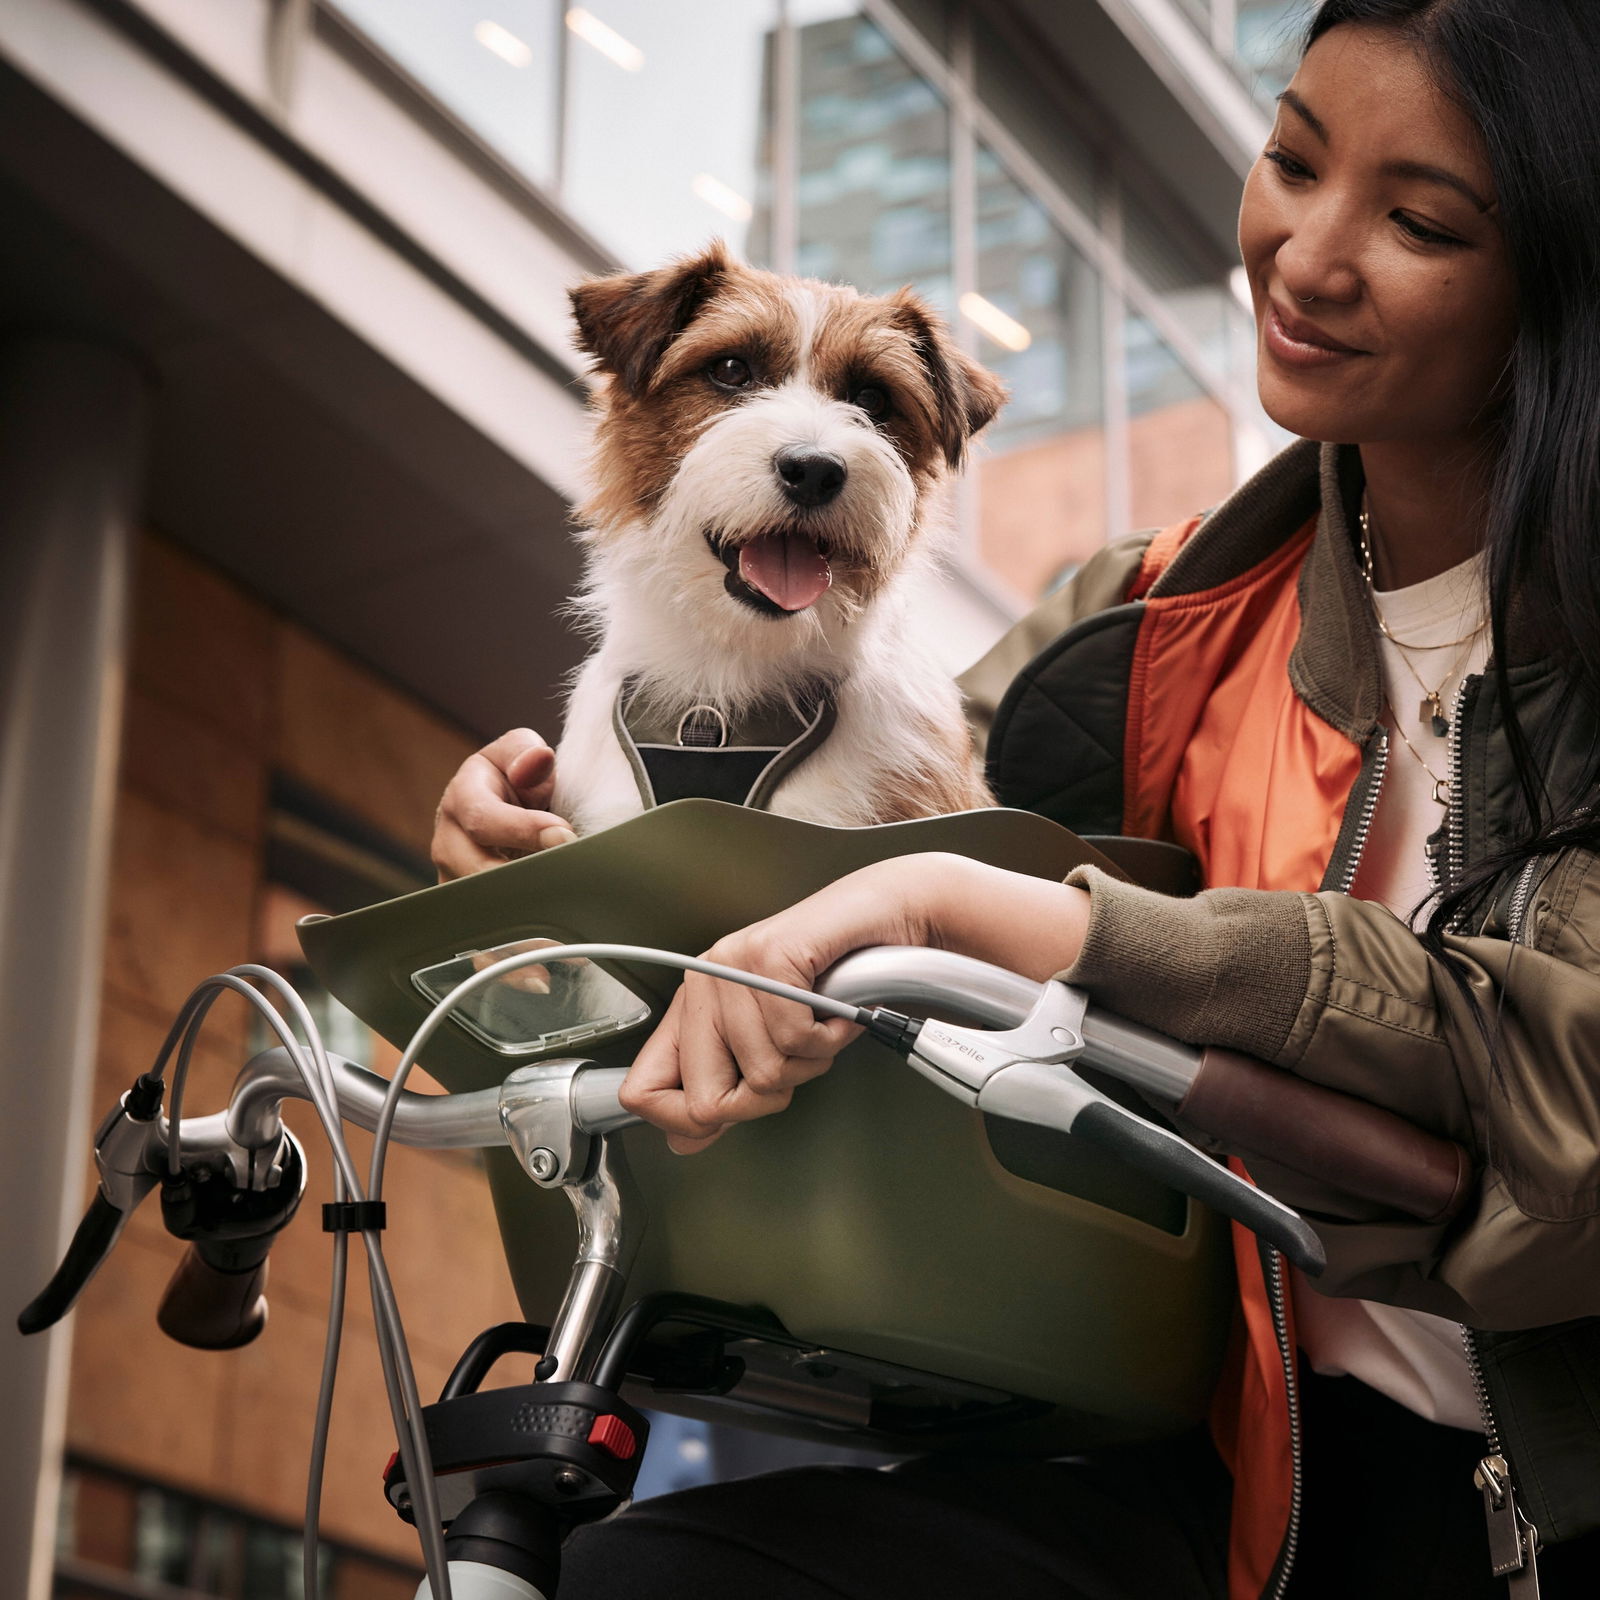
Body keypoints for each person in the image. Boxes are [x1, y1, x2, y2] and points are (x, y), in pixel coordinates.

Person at [430, 1, 1600, 1592]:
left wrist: (970, 905)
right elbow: (824, 835)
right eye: (1293, 160)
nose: (1308, 255)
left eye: (1418, 220)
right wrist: (530, 861)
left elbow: (1550, 1085)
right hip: (1227, 1462)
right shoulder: (1147, 623)